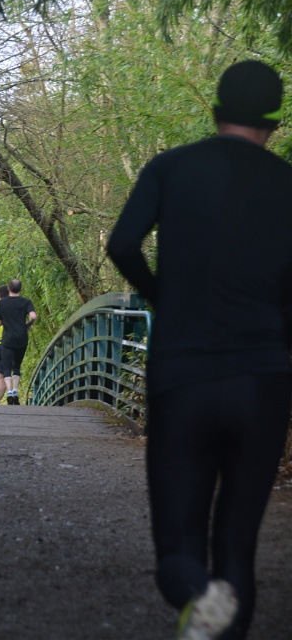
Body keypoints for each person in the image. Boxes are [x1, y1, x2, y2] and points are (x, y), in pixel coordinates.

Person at [107, 60, 292, 640]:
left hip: (182, 375)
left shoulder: (170, 167)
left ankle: (199, 595)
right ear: (274, 122)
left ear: (215, 110)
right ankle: (220, 609)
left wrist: (162, 296)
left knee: (178, 553)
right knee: (237, 548)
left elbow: (122, 244)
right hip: (263, 379)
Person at [0, 279, 36, 405]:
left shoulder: (1, 303)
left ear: (8, 288)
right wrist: (28, 324)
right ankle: (16, 390)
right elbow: (33, 316)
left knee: (7, 367)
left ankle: (9, 392)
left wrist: (5, 320)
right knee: (17, 366)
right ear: (21, 289)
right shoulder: (26, 302)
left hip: (7, 339)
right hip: (22, 338)